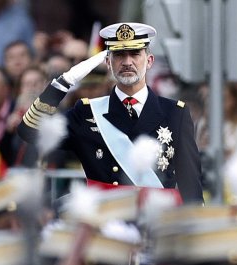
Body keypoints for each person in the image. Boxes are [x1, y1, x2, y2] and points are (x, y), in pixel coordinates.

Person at [16, 22, 204, 204]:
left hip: (156, 219)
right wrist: (63, 83)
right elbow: (30, 131)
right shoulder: (87, 112)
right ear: (108, 62)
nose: (127, 62)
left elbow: (190, 184)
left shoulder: (175, 113)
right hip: (104, 220)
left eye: (135, 54)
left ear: (149, 61)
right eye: (119, 55)